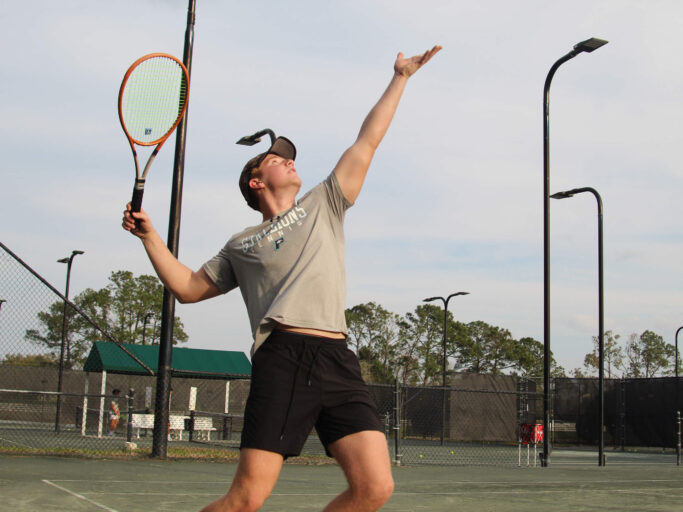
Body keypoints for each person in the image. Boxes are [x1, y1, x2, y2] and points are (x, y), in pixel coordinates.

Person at [122, 46, 441, 512]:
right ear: (256, 182)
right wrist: (149, 237)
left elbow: (367, 141)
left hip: (337, 356)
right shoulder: (242, 244)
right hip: (284, 357)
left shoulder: (325, 203)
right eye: (274, 158)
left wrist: (401, 78)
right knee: (246, 499)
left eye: (288, 156)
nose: (288, 160)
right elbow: (188, 289)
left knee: (375, 487)